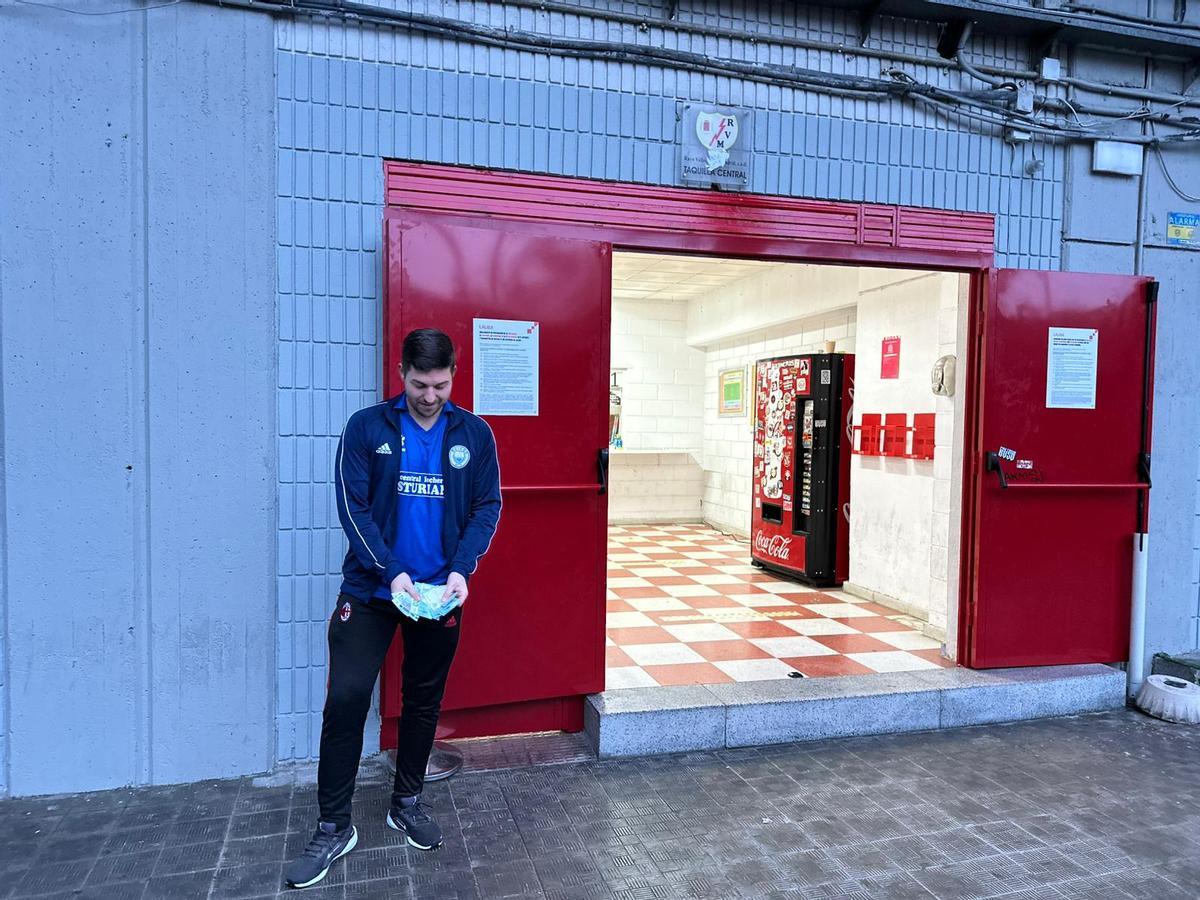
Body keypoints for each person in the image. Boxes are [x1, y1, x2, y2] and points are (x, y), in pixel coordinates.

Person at [285, 328, 501, 890]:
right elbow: (352, 507)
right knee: (348, 696)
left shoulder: (474, 435)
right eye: (419, 383)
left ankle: (406, 801)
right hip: (373, 591)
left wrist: (461, 569)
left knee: (423, 700)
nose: (430, 395)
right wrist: (391, 572)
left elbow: (486, 506)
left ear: (454, 375)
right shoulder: (366, 428)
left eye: (441, 384)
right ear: (400, 371)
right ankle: (334, 826)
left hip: (438, 594)